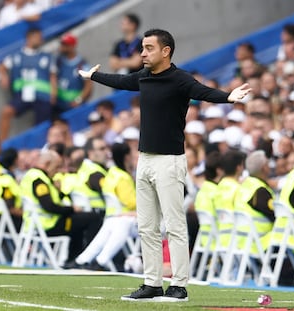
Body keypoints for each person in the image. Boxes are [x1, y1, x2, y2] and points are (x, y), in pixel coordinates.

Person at [79, 28, 251, 301]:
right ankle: (152, 282)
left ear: (165, 51)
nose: (142, 53)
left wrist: (228, 97)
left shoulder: (180, 79)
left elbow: (203, 92)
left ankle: (179, 284)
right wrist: (94, 76)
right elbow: (122, 80)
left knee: (174, 225)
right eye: (142, 48)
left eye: (148, 48)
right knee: (147, 226)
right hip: (144, 160)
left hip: (170, 161)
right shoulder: (144, 77)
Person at [20, 149, 102, 261]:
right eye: (57, 166)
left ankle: (75, 259)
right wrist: (71, 209)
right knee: (93, 218)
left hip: (38, 223)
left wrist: (58, 192)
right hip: (48, 225)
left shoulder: (32, 175)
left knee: (79, 221)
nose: (58, 171)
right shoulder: (39, 180)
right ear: (47, 164)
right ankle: (88, 258)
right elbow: (49, 206)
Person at [65, 142, 136, 271]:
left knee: (117, 222)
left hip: (118, 215)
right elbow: (131, 203)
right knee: (120, 222)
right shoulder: (115, 175)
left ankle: (86, 260)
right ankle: (95, 261)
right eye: (101, 148)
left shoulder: (111, 173)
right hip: (124, 215)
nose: (105, 151)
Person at [0, 28, 57, 141]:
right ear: (29, 38)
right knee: (7, 111)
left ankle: (39, 144)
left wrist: (53, 94)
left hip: (42, 95)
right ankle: (2, 143)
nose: (41, 40)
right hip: (22, 94)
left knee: (42, 125)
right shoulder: (16, 56)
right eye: (38, 37)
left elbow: (52, 76)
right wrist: (4, 76)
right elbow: (2, 66)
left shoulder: (47, 57)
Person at [54, 33, 93, 115]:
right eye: (61, 44)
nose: (61, 47)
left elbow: (88, 85)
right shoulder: (58, 61)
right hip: (58, 103)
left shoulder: (81, 65)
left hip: (73, 105)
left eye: (64, 44)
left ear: (72, 46)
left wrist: (78, 99)